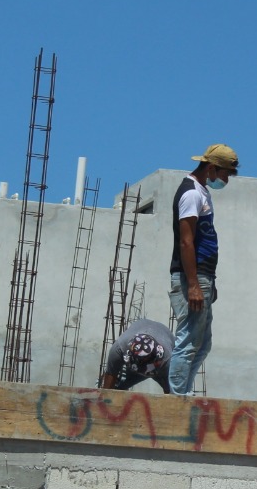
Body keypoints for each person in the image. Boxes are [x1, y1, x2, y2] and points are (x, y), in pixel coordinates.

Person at [168, 142, 239, 395]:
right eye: (225, 174)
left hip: (203, 276)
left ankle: (183, 394)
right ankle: (177, 398)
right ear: (211, 168)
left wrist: (209, 281)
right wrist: (194, 284)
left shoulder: (202, 192)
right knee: (188, 342)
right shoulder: (191, 194)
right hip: (193, 277)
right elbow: (186, 242)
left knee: (202, 343)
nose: (226, 181)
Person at [99, 318, 175, 394]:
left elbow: (171, 394)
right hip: (132, 367)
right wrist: (105, 398)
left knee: (173, 392)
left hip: (160, 369)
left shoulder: (168, 360)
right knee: (113, 387)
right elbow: (110, 376)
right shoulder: (119, 348)